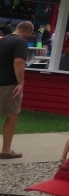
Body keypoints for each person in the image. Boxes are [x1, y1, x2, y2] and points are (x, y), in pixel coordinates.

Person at [0, 20, 32, 159]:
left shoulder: (2, 40)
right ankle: (6, 149)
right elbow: (18, 61)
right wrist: (21, 82)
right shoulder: (20, 42)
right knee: (12, 115)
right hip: (9, 83)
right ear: (28, 31)